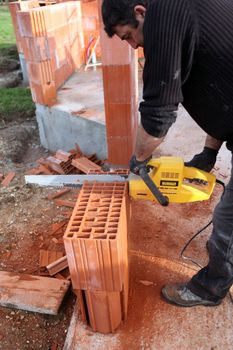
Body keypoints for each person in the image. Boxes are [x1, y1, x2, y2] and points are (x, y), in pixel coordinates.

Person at [101, 0, 233, 307]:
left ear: (140, 12)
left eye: (128, 36)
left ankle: (209, 290)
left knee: (227, 223)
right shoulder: (181, 9)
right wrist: (209, 152)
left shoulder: (163, 19)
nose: (133, 46)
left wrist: (139, 159)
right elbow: (220, 86)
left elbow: (158, 114)